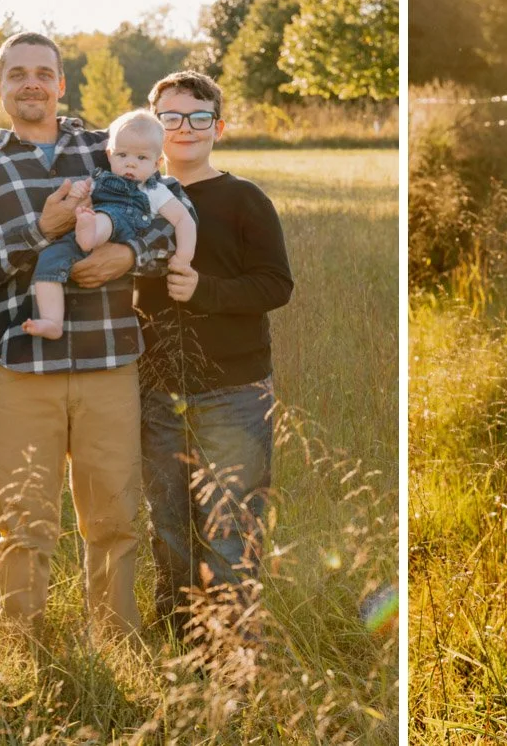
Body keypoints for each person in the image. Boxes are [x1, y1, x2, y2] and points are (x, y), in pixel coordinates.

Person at [0, 31, 190, 642]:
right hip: (23, 367)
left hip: (108, 361)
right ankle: (22, 648)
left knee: (113, 517)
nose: (32, 83)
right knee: (23, 522)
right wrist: (37, 230)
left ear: (61, 84)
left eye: (43, 73)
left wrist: (128, 255)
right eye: (18, 73)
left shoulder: (109, 148)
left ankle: (116, 643)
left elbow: (167, 219)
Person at [134, 70, 293, 656]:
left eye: (198, 117)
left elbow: (276, 285)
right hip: (156, 389)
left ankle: (232, 653)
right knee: (170, 528)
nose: (184, 129)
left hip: (233, 389)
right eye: (170, 118)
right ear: (154, 127)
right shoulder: (137, 196)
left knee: (230, 531)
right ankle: (181, 647)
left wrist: (204, 289)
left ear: (218, 128)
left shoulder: (244, 198)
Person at [23, 110, 196, 340]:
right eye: (122, 155)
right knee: (49, 258)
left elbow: (184, 219)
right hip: (82, 233)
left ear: (158, 163)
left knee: (107, 216)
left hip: (121, 228)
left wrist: (184, 256)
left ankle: (91, 231)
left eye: (141, 158)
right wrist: (77, 192)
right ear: (109, 154)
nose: (130, 164)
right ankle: (52, 321)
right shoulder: (99, 179)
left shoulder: (155, 191)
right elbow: (79, 194)